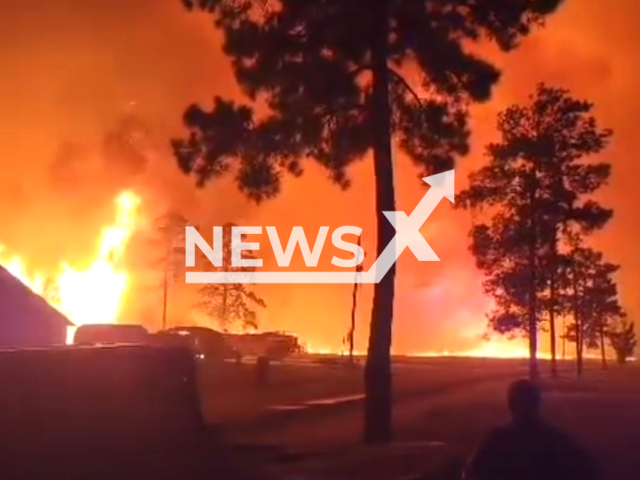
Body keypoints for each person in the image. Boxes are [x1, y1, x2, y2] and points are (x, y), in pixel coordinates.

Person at [462, 379, 601, 480]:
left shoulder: (495, 440)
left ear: (510, 405)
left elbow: (471, 473)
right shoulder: (558, 440)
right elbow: (588, 471)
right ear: (537, 403)